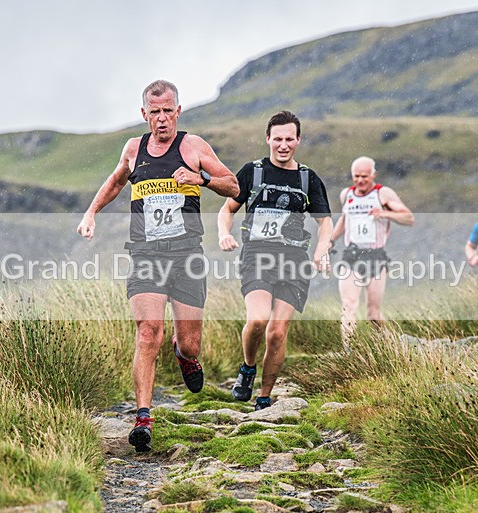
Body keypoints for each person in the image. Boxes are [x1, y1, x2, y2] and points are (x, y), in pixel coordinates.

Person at [76, 80, 238, 452]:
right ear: (144, 114)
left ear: (178, 112)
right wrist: (90, 213)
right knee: (149, 333)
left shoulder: (193, 146)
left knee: (191, 344)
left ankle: (185, 357)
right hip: (146, 254)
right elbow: (116, 181)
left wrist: (202, 179)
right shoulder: (134, 149)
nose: (161, 119)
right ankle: (143, 418)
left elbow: (234, 187)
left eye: (168, 111)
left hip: (187, 257)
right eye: (154, 112)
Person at [217, 110, 332, 410]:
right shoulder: (252, 172)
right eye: (277, 139)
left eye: (289, 139)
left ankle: (264, 397)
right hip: (256, 255)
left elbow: (325, 221)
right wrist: (223, 234)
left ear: (298, 140)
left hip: (294, 261)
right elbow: (227, 209)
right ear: (268, 138)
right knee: (258, 319)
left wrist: (322, 249)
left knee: (278, 332)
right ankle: (247, 367)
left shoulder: (308, 178)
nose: (283, 145)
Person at [329, 157, 414, 342]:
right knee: (349, 305)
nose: (360, 181)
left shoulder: (383, 194)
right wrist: (330, 241)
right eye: (356, 176)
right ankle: (348, 352)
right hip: (352, 256)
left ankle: (387, 345)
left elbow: (409, 218)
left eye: (364, 177)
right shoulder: (347, 195)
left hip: (376, 257)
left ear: (373, 175)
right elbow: (344, 220)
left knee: (373, 315)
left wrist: (384, 213)